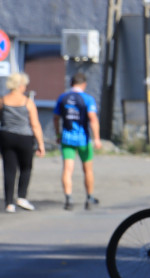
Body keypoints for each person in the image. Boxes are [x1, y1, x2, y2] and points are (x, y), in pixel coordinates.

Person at [0, 72, 45, 213]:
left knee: (9, 169)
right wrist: (41, 144)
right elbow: (35, 124)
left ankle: (9, 203)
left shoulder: (2, 101)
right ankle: (22, 197)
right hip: (24, 138)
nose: (25, 87)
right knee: (26, 167)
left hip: (7, 137)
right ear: (19, 86)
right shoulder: (27, 102)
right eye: (24, 85)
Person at [53, 72, 102, 210]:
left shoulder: (62, 97)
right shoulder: (87, 99)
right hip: (83, 140)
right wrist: (97, 138)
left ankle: (68, 199)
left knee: (67, 170)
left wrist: (58, 134)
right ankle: (89, 198)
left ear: (71, 83)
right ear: (84, 84)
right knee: (88, 170)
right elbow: (92, 119)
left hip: (67, 139)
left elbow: (56, 117)